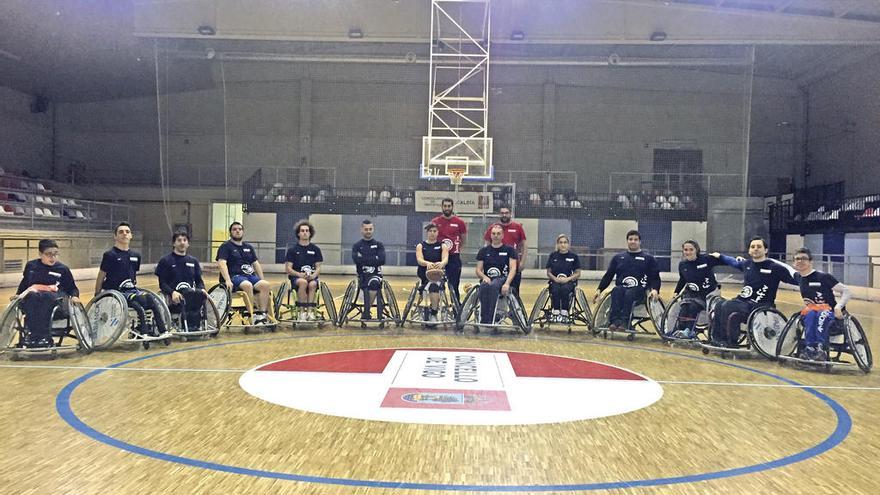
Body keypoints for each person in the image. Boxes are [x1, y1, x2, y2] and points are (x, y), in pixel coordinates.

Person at [710, 236, 796, 347]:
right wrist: (720, 256)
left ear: (765, 250)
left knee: (728, 306)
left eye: (759, 247)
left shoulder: (775, 267)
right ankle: (718, 339)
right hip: (743, 302)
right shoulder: (747, 264)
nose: (755, 249)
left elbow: (795, 280)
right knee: (719, 304)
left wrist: (810, 281)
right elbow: (733, 262)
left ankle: (730, 341)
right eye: (753, 247)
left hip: (761, 305)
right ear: (749, 251)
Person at [95, 222, 168, 336]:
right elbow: (101, 275)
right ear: (115, 236)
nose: (124, 234)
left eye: (127, 232)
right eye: (121, 232)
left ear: (131, 236)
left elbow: (132, 275)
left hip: (131, 290)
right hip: (116, 292)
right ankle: (143, 332)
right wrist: (97, 295)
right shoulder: (109, 255)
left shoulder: (136, 255)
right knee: (137, 303)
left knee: (152, 300)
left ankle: (162, 330)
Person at [779, 248, 851, 361]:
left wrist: (839, 307)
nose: (800, 261)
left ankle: (820, 348)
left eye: (804, 259)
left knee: (820, 315)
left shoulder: (823, 277)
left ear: (810, 261)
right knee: (810, 314)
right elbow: (785, 267)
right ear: (794, 262)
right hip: (812, 310)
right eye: (797, 259)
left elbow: (847, 291)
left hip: (828, 310)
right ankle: (810, 348)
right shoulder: (799, 277)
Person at [14, 239, 81, 348]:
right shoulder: (31, 266)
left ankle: (43, 336)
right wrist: (18, 294)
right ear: (40, 254)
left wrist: (74, 296)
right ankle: (32, 336)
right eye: (49, 254)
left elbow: (72, 288)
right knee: (32, 296)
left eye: (55, 254)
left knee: (46, 296)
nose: (53, 257)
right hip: (34, 300)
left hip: (55, 302)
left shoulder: (63, 269)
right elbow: (25, 283)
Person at [593, 230, 660, 333]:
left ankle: (625, 322)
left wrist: (655, 290)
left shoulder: (648, 259)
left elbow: (655, 277)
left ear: (640, 242)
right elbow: (609, 275)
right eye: (630, 239)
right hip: (622, 289)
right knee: (616, 290)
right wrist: (599, 289)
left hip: (640, 291)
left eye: (635, 239)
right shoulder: (618, 258)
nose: (633, 241)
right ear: (627, 241)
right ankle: (615, 321)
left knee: (630, 293)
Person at [215, 222, 272, 325]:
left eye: (240, 229)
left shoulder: (248, 247)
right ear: (230, 232)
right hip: (234, 277)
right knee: (247, 285)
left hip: (249, 276)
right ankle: (252, 315)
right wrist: (227, 280)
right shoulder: (225, 246)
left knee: (265, 285)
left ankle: (261, 314)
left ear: (243, 232)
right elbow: (222, 263)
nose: (237, 231)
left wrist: (262, 278)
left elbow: (256, 264)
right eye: (234, 229)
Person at [668, 240, 724, 339]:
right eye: (685, 250)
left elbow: (723, 261)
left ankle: (689, 330)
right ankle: (679, 330)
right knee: (684, 306)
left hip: (707, 294)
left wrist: (734, 260)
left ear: (696, 250)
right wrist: (676, 292)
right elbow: (682, 280)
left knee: (693, 306)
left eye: (691, 249)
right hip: (691, 293)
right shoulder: (682, 265)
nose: (688, 252)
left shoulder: (706, 259)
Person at [155, 231, 207, 332]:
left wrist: (202, 289)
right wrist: (172, 292)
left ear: (188, 244)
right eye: (179, 240)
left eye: (185, 240)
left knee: (198, 294)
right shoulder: (165, 260)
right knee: (185, 295)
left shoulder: (193, 261)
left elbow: (199, 281)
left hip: (190, 295)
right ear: (174, 243)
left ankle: (195, 326)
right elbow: (162, 283)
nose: (182, 242)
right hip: (173, 297)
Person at [475, 224, 517, 328]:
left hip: (502, 279)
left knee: (494, 286)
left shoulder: (509, 250)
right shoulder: (483, 251)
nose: (496, 236)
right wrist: (484, 277)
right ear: (490, 235)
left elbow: (513, 269)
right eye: (493, 233)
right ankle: (484, 318)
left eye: (498, 234)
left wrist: (507, 283)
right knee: (484, 286)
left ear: (503, 235)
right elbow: (478, 270)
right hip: (488, 279)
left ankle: (490, 319)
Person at [284, 220, 323, 321]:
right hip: (297, 278)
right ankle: (301, 312)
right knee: (303, 282)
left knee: (313, 284)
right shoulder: (292, 250)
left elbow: (318, 267)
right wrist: (299, 275)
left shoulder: (316, 249)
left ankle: (310, 312)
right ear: (298, 233)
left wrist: (314, 275)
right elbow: (288, 268)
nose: (305, 232)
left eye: (307, 230)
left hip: (311, 277)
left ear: (310, 233)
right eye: (302, 231)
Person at [482, 206, 526, 293]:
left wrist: (522, 263)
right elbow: (487, 247)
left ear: (510, 214)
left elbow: (524, 246)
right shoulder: (492, 228)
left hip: (513, 265)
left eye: (506, 213)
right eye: (502, 213)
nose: (504, 215)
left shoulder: (517, 227)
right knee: (494, 290)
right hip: (497, 266)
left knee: (514, 292)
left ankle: (516, 306)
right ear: (499, 215)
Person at [431, 198, 467, 304]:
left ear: (452, 207)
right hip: (438, 258)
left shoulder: (459, 222)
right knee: (436, 284)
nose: (447, 208)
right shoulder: (435, 222)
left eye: (449, 206)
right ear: (442, 207)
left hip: (453, 258)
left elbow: (463, 238)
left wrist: (458, 249)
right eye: (445, 206)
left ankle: (456, 309)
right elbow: (431, 237)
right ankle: (435, 307)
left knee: (454, 285)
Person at [352, 219, 386, 320]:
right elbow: (356, 260)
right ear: (362, 230)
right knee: (368, 285)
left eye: (370, 229)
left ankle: (366, 312)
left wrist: (363, 259)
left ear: (373, 230)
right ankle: (367, 312)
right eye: (366, 229)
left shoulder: (379, 245)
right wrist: (374, 258)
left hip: (376, 275)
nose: (368, 231)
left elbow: (382, 260)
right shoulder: (357, 246)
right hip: (362, 276)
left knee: (374, 283)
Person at [415, 223, 449, 323]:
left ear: (438, 233)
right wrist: (427, 263)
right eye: (430, 231)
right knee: (430, 286)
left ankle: (434, 312)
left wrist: (441, 263)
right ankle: (431, 308)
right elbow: (419, 259)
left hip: (438, 275)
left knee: (434, 287)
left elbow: (445, 259)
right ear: (427, 232)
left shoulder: (442, 246)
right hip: (425, 275)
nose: (432, 233)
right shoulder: (421, 246)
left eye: (434, 231)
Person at [545, 234, 581, 323]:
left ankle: (565, 312)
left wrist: (568, 279)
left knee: (565, 289)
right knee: (555, 289)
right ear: (557, 244)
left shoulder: (574, 257)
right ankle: (556, 311)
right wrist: (555, 279)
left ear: (568, 244)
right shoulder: (553, 256)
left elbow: (578, 273)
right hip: (555, 281)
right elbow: (548, 272)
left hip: (568, 281)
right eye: (560, 242)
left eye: (565, 242)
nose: (563, 245)